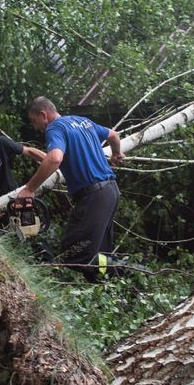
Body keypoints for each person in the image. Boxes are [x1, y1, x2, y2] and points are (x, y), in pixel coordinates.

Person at [17, 97, 125, 280]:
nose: (35, 127)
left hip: (94, 196)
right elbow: (113, 135)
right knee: (99, 251)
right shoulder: (82, 121)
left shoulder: (55, 127)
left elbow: (54, 159)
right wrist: (116, 153)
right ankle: (108, 286)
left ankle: (126, 270)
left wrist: (29, 189)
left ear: (43, 114)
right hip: (111, 191)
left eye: (34, 121)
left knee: (74, 253)